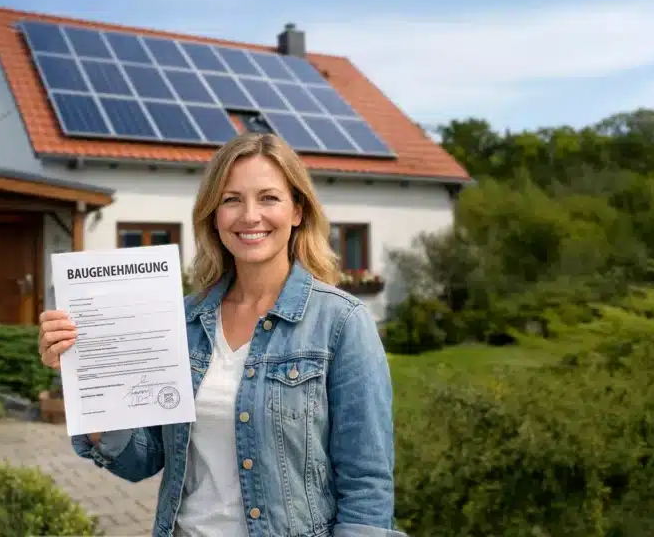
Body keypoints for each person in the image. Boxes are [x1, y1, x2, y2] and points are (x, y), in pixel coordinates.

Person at [38, 132, 403, 537]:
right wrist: (82, 373)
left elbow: (366, 484)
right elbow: (140, 460)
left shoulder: (342, 322)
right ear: (214, 213)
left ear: (297, 210)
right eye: (232, 199)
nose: (250, 216)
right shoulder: (182, 321)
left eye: (268, 198)